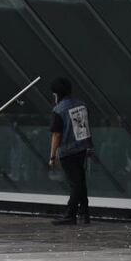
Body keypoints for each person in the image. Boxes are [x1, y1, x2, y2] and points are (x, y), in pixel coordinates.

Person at [48, 77, 93, 226]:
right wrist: (89, 145)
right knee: (80, 181)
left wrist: (52, 156)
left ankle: (70, 214)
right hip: (82, 147)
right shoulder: (81, 105)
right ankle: (84, 213)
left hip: (68, 150)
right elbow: (85, 127)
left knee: (75, 183)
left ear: (56, 94)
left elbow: (56, 134)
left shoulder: (58, 110)